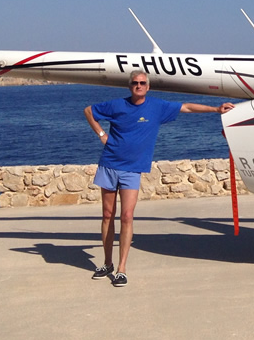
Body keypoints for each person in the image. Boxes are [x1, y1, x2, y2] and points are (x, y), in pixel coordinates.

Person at [84, 70, 234, 287]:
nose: (138, 86)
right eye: (134, 83)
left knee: (127, 216)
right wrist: (101, 135)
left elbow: (186, 107)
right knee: (107, 215)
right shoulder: (117, 105)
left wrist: (216, 109)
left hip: (132, 170)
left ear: (148, 86)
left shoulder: (157, 106)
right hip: (109, 164)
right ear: (129, 86)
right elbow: (89, 111)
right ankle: (107, 263)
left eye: (142, 83)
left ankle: (121, 268)